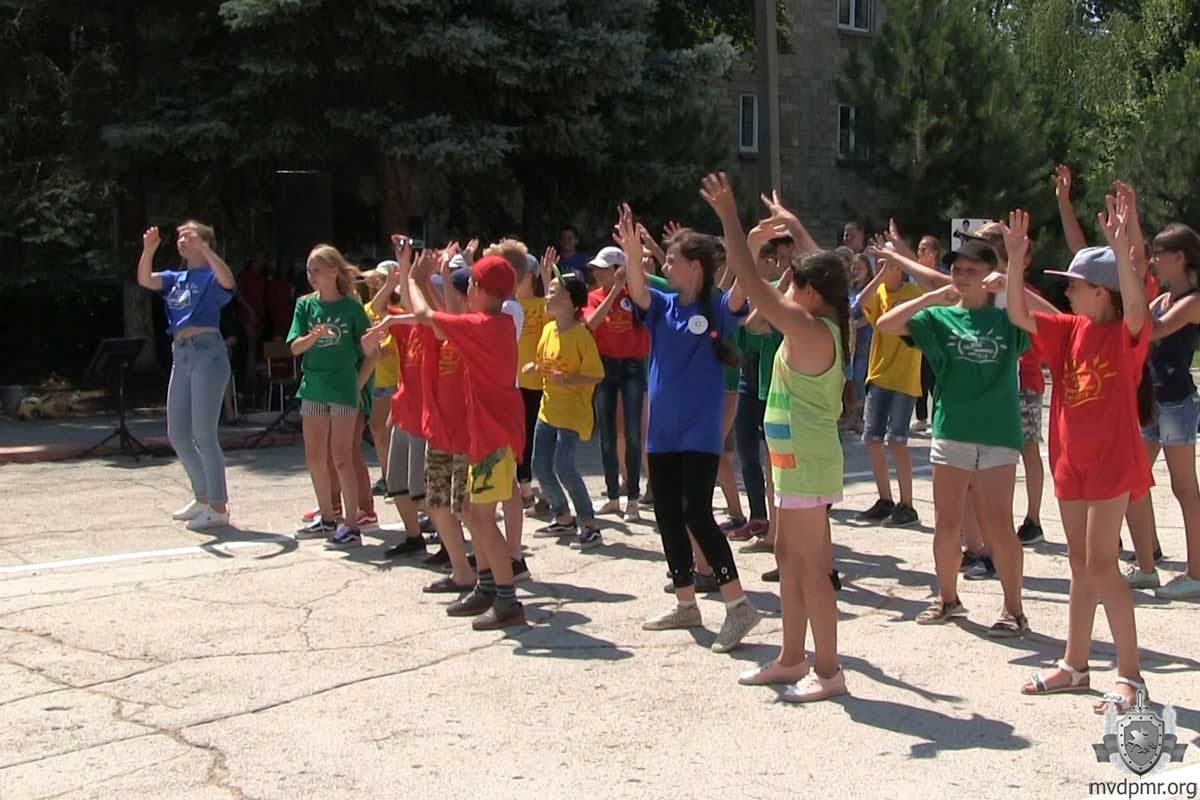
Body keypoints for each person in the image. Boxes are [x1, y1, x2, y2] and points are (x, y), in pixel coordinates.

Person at [1005, 202, 1153, 713]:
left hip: (1112, 462)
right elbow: (1018, 313)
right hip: (1070, 462)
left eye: (1074, 284)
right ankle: (1074, 665)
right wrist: (1013, 261)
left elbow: (1137, 310)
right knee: (1078, 563)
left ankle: (1130, 676)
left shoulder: (1125, 334)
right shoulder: (1069, 328)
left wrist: (1121, 251)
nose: (1066, 291)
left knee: (1102, 564)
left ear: (1101, 291)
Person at [715, 180, 850, 701]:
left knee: (813, 570)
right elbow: (824, 268)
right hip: (795, 463)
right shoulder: (819, 316)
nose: (787, 285)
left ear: (809, 293)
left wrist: (730, 216)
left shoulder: (809, 328)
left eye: (794, 282)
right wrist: (792, 224)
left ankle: (829, 670)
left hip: (808, 464)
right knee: (790, 561)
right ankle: (792, 658)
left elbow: (753, 282)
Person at [615, 201, 762, 654]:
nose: (666, 266)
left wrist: (749, 243)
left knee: (696, 513)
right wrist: (631, 252)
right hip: (662, 434)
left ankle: (738, 606)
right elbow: (638, 290)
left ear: (695, 267)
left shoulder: (717, 308)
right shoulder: (662, 305)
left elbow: (742, 285)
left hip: (699, 433)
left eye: (673, 260)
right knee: (667, 514)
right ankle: (686, 603)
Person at [875, 237, 1029, 636]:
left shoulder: (1007, 317)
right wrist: (930, 297)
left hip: (997, 432)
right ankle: (948, 598)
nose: (962, 277)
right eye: (957, 270)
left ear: (989, 275)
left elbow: (1037, 319)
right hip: (952, 430)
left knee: (999, 524)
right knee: (947, 522)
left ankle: (1013, 609)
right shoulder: (938, 317)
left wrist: (1010, 278)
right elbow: (885, 325)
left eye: (972, 271)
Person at [404, 252, 528, 629]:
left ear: (480, 289)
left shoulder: (483, 324)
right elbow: (445, 326)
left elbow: (426, 316)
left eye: (471, 284)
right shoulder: (495, 323)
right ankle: (487, 587)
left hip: (494, 439)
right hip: (486, 436)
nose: (468, 290)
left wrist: (414, 279)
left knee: (483, 520)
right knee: (473, 513)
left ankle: (507, 599)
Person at [138, 221, 236, 531]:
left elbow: (228, 282)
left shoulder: (211, 275)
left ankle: (218, 507)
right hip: (181, 354)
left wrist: (205, 249)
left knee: (203, 433)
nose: (181, 240)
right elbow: (145, 279)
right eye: (179, 237)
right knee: (178, 433)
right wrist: (148, 251)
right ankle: (203, 497)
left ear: (205, 241)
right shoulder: (175, 278)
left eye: (188, 236)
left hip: (208, 351)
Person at [1125, 219, 1200, 600]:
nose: (1154, 260)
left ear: (1181, 257)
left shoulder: (1192, 302)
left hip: (1176, 401)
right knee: (1132, 483)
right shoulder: (1163, 299)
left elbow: (1152, 329)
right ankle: (1146, 566)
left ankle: (1196, 572)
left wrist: (1137, 282)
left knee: (1184, 489)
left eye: (1159, 254)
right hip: (1151, 402)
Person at [287, 245, 374, 547]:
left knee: (341, 458)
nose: (312, 276)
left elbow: (370, 353)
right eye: (309, 271)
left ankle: (352, 524)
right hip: (313, 388)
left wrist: (358, 385)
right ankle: (326, 517)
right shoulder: (305, 306)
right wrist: (312, 336)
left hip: (342, 389)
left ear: (334, 271)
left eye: (317, 270)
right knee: (314, 457)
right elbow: (294, 347)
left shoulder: (352, 308)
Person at [526, 255, 605, 549]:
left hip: (572, 413)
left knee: (564, 466)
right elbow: (545, 363)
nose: (548, 297)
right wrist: (535, 368)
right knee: (540, 465)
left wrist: (568, 380)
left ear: (572, 303)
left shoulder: (581, 335)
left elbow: (597, 374)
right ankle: (562, 516)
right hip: (548, 410)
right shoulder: (549, 329)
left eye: (554, 293)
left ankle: (590, 524)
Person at [856, 253, 924, 528]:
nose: (885, 268)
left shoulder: (914, 293)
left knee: (897, 441)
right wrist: (877, 278)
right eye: (881, 263)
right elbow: (860, 303)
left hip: (904, 377)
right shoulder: (879, 292)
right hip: (879, 374)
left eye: (890, 263)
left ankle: (907, 505)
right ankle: (885, 499)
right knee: (872, 439)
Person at [585, 246, 647, 521]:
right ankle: (613, 496)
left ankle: (633, 498)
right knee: (607, 435)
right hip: (605, 365)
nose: (598, 273)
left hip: (633, 365)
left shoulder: (637, 295)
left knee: (632, 432)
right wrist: (613, 292)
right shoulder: (593, 297)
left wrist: (629, 284)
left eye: (603, 269)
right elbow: (592, 323)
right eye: (596, 269)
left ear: (618, 270)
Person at [912, 236, 944, 432]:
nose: (920, 253)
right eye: (919, 249)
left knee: (934, 379)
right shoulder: (914, 277)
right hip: (919, 330)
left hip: (937, 332)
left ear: (935, 253)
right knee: (919, 377)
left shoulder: (941, 276)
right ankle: (921, 417)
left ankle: (937, 418)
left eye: (924, 249)